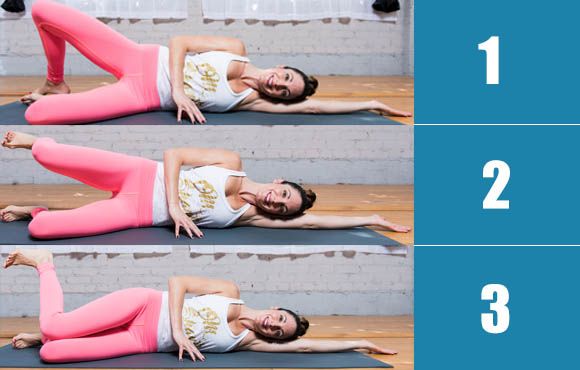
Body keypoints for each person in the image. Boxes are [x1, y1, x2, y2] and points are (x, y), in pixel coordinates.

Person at [22, 0, 411, 125]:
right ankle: (55, 80)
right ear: (281, 65)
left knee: (36, 118)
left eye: (284, 91)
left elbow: (318, 106)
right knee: (42, 10)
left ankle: (56, 95)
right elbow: (179, 41)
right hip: (140, 55)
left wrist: (370, 103)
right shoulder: (235, 47)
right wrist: (178, 89)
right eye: (285, 76)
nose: (278, 83)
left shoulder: (251, 101)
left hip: (140, 94)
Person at [5, 249, 397, 363]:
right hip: (144, 306)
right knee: (58, 329)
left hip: (144, 342)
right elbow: (177, 282)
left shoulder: (247, 342)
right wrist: (177, 330)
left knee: (54, 352)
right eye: (279, 319)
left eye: (278, 332)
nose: (273, 326)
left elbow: (309, 346)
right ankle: (44, 264)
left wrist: (360, 343)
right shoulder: (229, 290)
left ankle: (47, 332)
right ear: (275, 308)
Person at [1, 131, 411, 239]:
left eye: (282, 208)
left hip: (137, 212)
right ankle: (41, 140)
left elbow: (312, 224)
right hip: (140, 174)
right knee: (43, 153)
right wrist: (177, 208)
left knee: (41, 230)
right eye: (283, 194)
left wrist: (372, 218)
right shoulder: (231, 163)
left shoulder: (248, 218)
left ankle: (36, 210)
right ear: (279, 181)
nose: (276, 202)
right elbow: (174, 153)